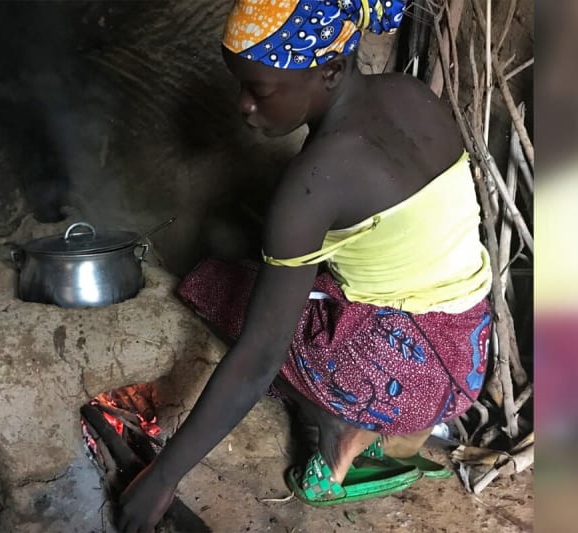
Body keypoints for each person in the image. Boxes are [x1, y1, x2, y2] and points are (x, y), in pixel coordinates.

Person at [118, 0, 493, 530]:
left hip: (408, 376)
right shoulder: (410, 95)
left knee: (211, 285)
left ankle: (340, 426)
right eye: (241, 86)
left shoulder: (313, 183)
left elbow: (258, 358)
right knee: (290, 278)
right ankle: (399, 417)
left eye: (260, 90)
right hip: (469, 348)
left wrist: (161, 478)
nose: (244, 106)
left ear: (331, 70)